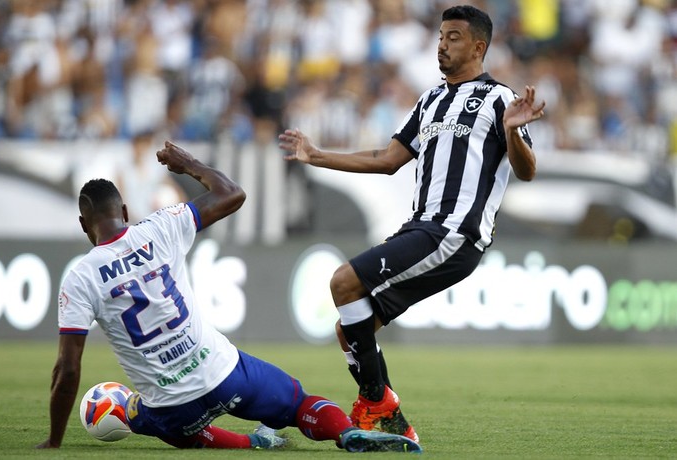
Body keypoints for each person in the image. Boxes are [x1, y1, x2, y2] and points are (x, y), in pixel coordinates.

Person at [36, 140, 422, 454]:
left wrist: (55, 440)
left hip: (173, 407)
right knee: (298, 403)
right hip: (224, 373)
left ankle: (248, 442)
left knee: (136, 412)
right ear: (123, 210)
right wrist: (187, 164)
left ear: (84, 224)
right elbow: (232, 194)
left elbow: (68, 370)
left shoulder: (80, 277)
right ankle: (344, 434)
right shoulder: (160, 227)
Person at [278, 5, 545, 443]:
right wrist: (317, 154)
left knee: (344, 283)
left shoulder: (500, 99)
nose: (442, 44)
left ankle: (375, 403)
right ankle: (388, 418)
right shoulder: (430, 100)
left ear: (478, 46)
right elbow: (387, 160)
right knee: (350, 330)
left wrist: (514, 132)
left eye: (454, 37)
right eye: (440, 36)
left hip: (453, 232)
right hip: (419, 228)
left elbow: (528, 170)